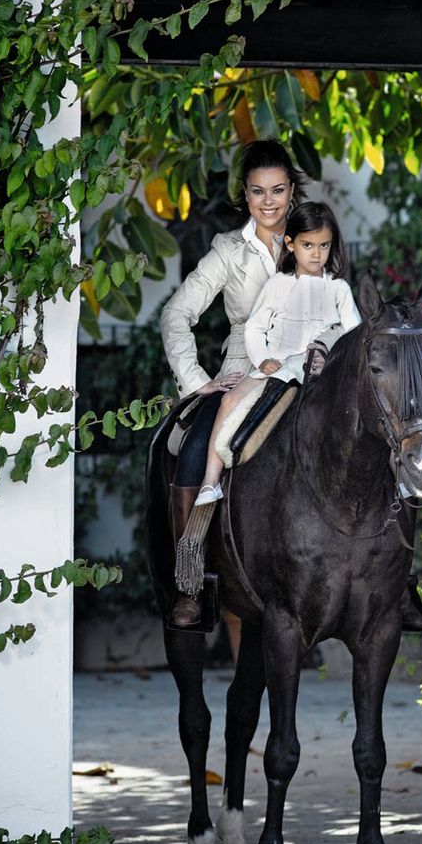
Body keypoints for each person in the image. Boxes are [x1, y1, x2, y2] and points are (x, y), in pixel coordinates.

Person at [160, 139, 304, 628]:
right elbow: (176, 314)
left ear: (292, 192)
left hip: (310, 362)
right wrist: (197, 380)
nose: (269, 202)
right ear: (244, 194)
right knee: (196, 447)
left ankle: (389, 577)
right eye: (259, 191)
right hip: (244, 366)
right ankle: (190, 581)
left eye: (279, 190)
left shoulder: (312, 236)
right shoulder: (228, 250)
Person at [194, 201, 361, 506]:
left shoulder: (339, 289)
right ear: (290, 243)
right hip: (279, 365)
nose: (316, 253)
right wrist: (262, 359)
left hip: (320, 370)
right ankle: (210, 479)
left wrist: (329, 353)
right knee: (230, 400)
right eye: (307, 245)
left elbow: (354, 334)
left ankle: (392, 474)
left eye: (324, 245)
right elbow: (254, 328)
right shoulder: (278, 284)